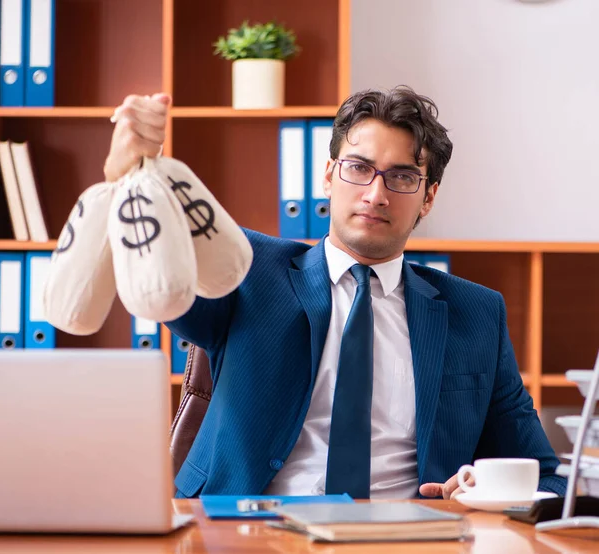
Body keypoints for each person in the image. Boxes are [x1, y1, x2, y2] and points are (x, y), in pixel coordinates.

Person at [104, 86, 567, 500]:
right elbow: (162, 286)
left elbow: (546, 479)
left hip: (404, 533)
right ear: (328, 175)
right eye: (359, 168)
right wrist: (129, 180)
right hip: (250, 526)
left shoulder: (476, 313)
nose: (375, 194)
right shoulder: (247, 266)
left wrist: (482, 488)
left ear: (428, 197)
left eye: (403, 177)